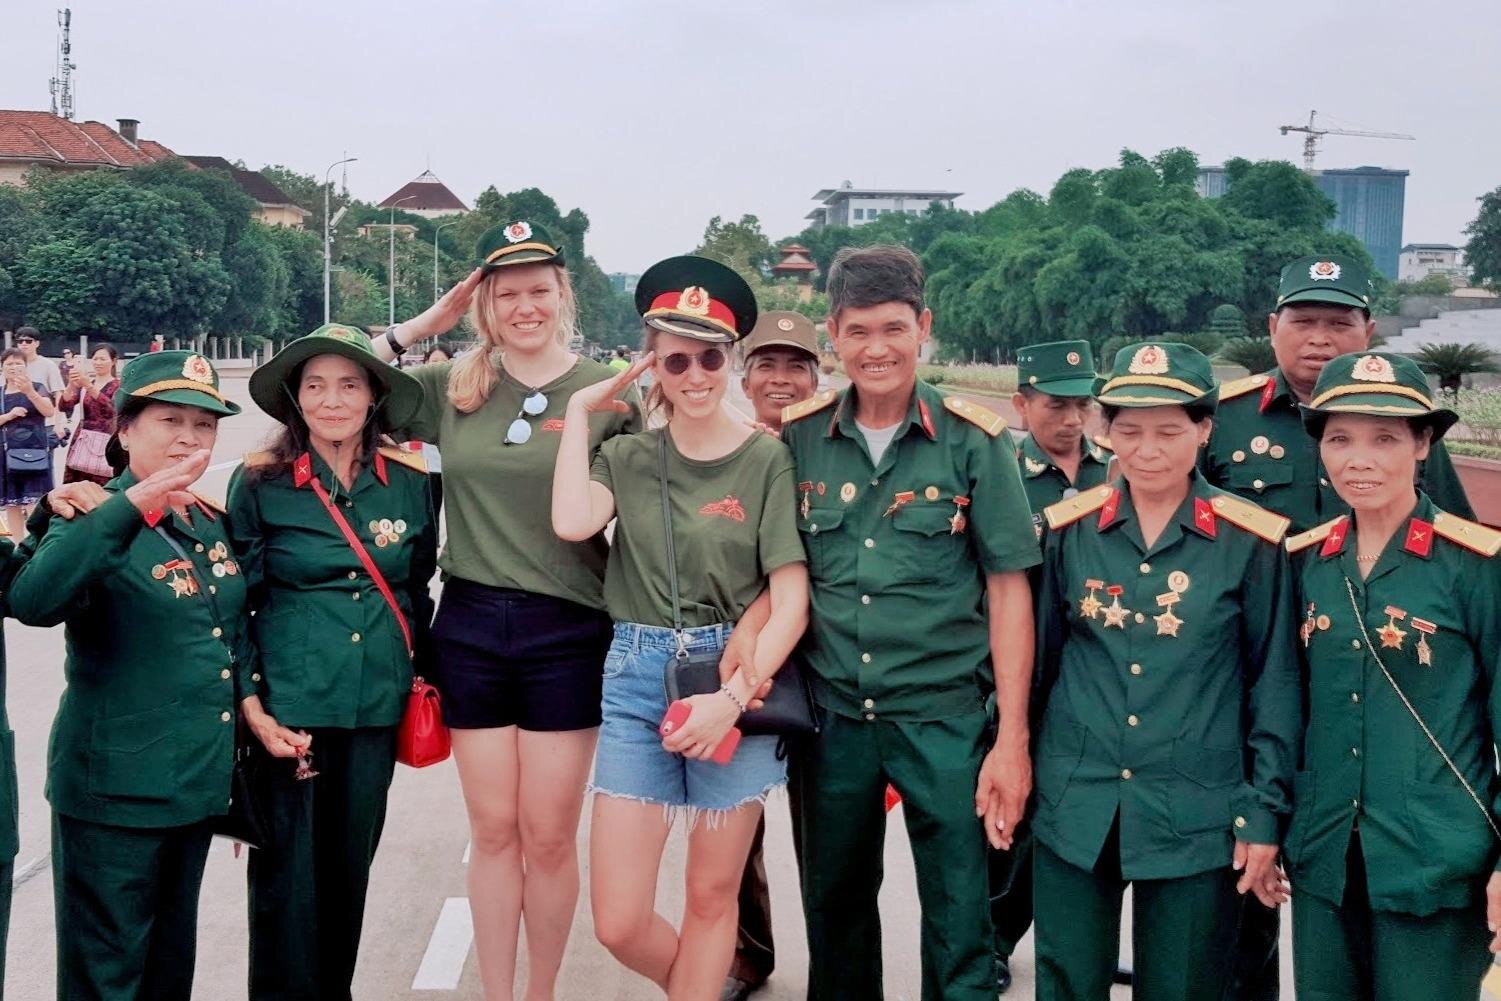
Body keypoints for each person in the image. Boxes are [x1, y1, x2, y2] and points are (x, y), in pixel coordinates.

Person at [371, 221, 642, 1000]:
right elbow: (326, 379)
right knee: (492, 831)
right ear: (483, 302)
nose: (526, 306)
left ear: (563, 294)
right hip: (472, 625)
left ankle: (540, 991)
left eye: (539, 290)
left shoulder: (609, 392)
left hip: (569, 626)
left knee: (549, 836)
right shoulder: (452, 385)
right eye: (507, 293)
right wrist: (422, 325)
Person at [762, 245, 1037, 1000]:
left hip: (944, 719)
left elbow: (1008, 591)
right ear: (833, 334)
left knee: (959, 921)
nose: (875, 349)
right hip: (832, 720)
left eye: (893, 328)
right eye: (856, 331)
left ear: (923, 327)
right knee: (834, 914)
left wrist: (1010, 739)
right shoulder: (800, 436)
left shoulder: (974, 439)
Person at [1199, 254, 1475, 1001]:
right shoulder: (1227, 425)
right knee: (1245, 921)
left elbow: (1453, 556)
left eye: (1338, 322)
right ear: (1272, 327)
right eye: (1304, 320)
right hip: (1255, 709)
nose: (1319, 336)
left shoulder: (1459, 541)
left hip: (1402, 748)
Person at [552, 255, 809, 999]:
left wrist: (732, 700)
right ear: (652, 366)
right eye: (676, 360)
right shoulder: (628, 455)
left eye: (710, 357)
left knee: (709, 897)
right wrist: (578, 418)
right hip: (637, 679)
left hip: (732, 677)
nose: (695, 375)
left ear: (731, 359)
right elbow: (571, 520)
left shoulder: (767, 460)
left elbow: (790, 598)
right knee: (618, 919)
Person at [1030, 342, 1301, 1001]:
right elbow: (1039, 664)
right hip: (1076, 798)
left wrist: (1263, 810)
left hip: (1198, 808)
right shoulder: (1068, 531)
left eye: (1168, 430)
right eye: (1128, 430)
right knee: (1065, 981)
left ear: (1204, 430)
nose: (1146, 449)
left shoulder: (1252, 541)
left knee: (1185, 984)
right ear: (1105, 431)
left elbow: (1273, 687)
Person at [7, 350, 246, 1000]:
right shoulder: (89, 512)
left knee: (168, 973)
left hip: (191, 789)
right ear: (125, 429)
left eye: (203, 425)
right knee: (106, 981)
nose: (189, 438)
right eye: (171, 420)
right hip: (114, 797)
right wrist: (131, 503)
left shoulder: (208, 521)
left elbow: (229, 639)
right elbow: (34, 600)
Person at [1281, 352, 1500, 1000]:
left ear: (1422, 443)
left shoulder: (1475, 564)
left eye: (1384, 439)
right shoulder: (1305, 562)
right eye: (1340, 439)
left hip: (1435, 858)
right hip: (1324, 856)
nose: (1359, 460)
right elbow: (1286, 707)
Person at [227, 323, 435, 999]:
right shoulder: (260, 482)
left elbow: (416, 588)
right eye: (315, 385)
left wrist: (424, 680)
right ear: (296, 398)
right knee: (286, 879)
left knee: (349, 870)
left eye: (349, 384)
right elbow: (236, 601)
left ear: (374, 395)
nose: (332, 400)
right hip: (290, 707)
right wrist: (250, 703)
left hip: (375, 702)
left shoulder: (409, 481)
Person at [987, 338, 1113, 992]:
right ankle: (993, 938)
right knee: (1008, 819)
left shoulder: (1114, 472)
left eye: (1081, 405)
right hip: (1015, 668)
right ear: (1021, 404)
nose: (1070, 419)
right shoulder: (1001, 472)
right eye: (1054, 405)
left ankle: (1087, 943)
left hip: (1091, 670)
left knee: (1080, 822)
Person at [721, 308, 820, 1001]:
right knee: (734, 822)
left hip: (822, 658)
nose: (780, 380)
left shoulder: (836, 450)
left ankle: (835, 967)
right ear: (744, 375)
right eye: (766, 365)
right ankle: (746, 954)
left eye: (795, 367)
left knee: (825, 830)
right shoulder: (724, 446)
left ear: (817, 377)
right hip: (739, 657)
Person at [0, 347, 58, 537]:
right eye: (9, 364)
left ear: (26, 367)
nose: (13, 367)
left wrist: (29, 392)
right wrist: (9, 416)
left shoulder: (37, 387)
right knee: (12, 503)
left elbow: (49, 411)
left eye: (18, 363)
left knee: (34, 502)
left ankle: (36, 544)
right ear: (2, 367)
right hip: (7, 454)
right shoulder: (1, 393)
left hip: (34, 452)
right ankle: (19, 545)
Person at [60, 343, 121, 486]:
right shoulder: (84, 384)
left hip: (107, 440)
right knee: (77, 485)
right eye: (95, 359)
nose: (98, 363)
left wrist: (89, 386)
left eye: (103, 359)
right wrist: (71, 384)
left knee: (104, 486)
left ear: (113, 361)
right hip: (83, 439)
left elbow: (113, 409)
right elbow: (64, 406)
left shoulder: (118, 386)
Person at [14, 327, 65, 440]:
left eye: (28, 341)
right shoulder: (12, 365)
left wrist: (59, 423)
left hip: (44, 423)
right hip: (16, 423)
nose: (24, 344)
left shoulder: (48, 365)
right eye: (20, 341)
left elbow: (59, 394)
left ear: (37, 343)